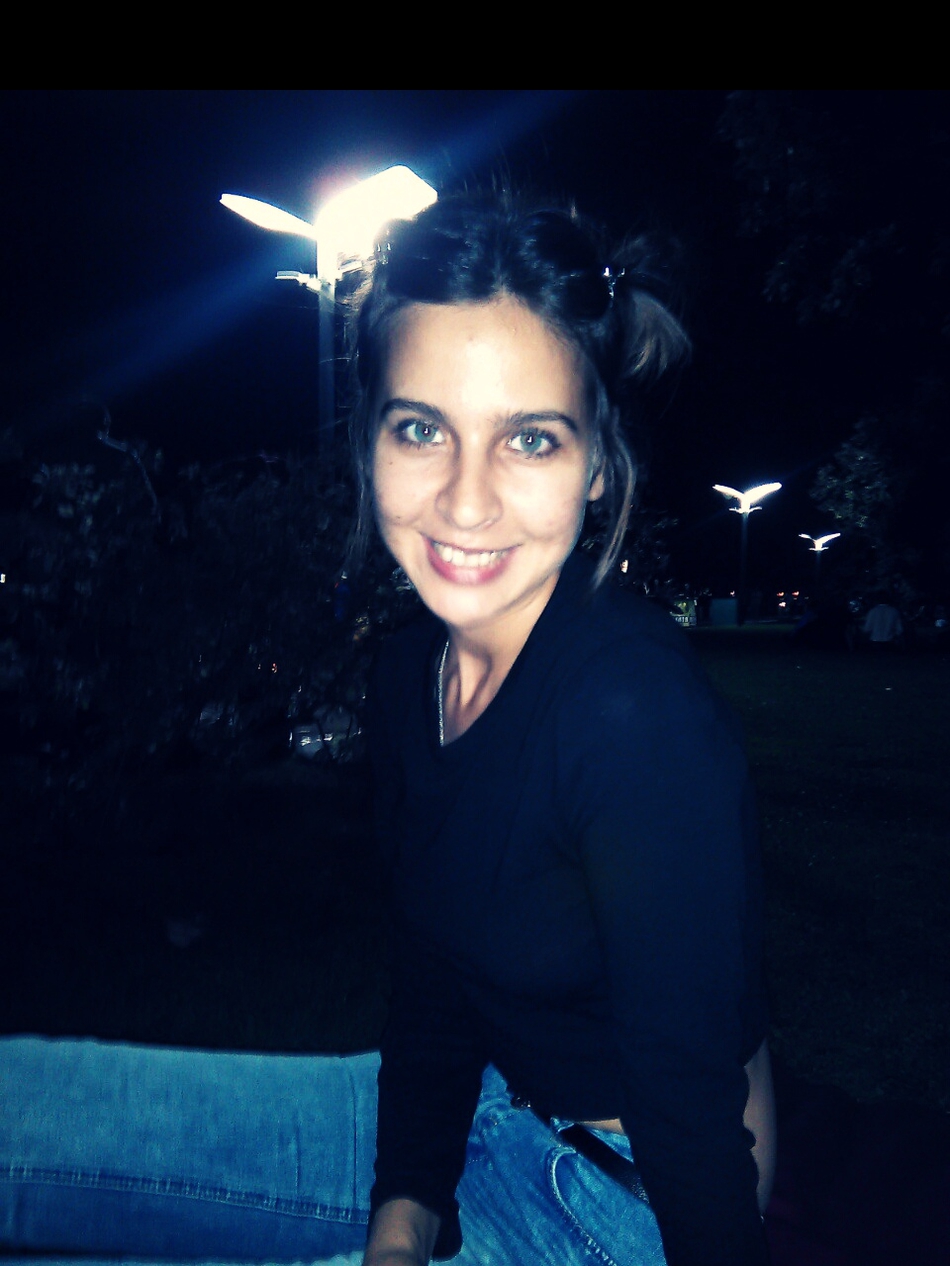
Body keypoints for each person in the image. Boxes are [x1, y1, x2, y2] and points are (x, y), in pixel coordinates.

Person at [1, 192, 774, 1266]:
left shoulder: (634, 714)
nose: (464, 502)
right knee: (24, 1109)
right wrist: (401, 1219)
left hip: (622, 1194)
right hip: (479, 1103)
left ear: (598, 466)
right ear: (368, 441)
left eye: (529, 440)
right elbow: (435, 972)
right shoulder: (412, 668)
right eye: (421, 429)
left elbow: (692, 1117)